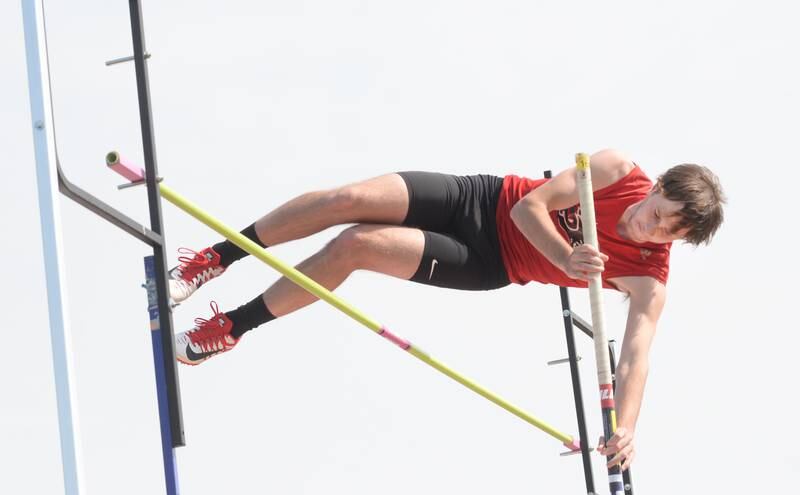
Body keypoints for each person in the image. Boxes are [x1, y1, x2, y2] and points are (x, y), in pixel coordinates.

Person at [167, 149, 725, 469]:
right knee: (347, 200)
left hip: (485, 262)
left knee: (355, 246)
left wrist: (625, 428)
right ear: (655, 188)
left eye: (667, 234)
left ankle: (231, 327)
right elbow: (530, 207)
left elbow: (635, 357)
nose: (649, 231)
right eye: (657, 214)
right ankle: (215, 258)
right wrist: (567, 256)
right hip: (480, 199)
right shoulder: (612, 170)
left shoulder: (648, 278)